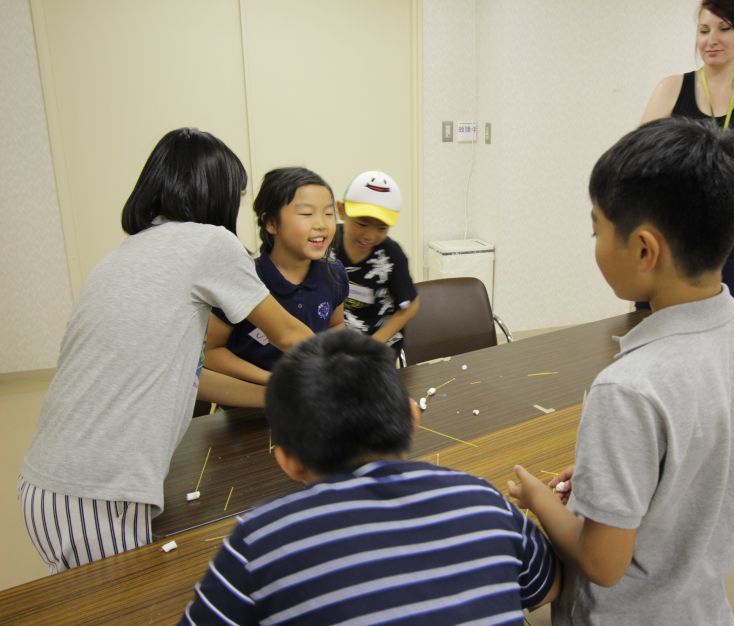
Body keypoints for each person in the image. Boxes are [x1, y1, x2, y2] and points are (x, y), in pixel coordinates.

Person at [507, 118, 734, 625]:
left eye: (597, 229)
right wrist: (605, 482)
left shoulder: (627, 389)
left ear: (646, 250)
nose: (595, 242)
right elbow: (696, 462)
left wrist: (541, 500)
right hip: (699, 607)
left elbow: (603, 565)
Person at [17, 128, 313, 572]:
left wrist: (276, 395)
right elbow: (289, 335)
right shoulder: (208, 243)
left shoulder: (130, 253)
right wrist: (366, 383)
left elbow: (193, 377)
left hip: (52, 487)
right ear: (215, 193)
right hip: (95, 492)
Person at [180, 329, 559, 625]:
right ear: (413, 418)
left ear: (287, 461)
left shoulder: (259, 540)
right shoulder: (482, 500)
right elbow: (548, 588)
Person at [641, 0, 734, 303]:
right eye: (704, 30)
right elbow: (638, 167)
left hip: (732, 246)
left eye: (724, 29)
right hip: (671, 242)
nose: (711, 40)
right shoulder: (671, 88)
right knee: (657, 336)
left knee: (719, 339)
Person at [205, 167, 348, 385]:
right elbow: (212, 351)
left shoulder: (334, 273)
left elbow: (336, 325)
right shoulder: (246, 278)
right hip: (249, 405)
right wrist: (272, 381)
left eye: (329, 213)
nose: (321, 224)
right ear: (271, 223)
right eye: (307, 214)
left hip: (311, 399)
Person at [334, 170, 420, 360]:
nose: (370, 236)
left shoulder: (391, 255)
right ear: (342, 210)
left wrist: (375, 343)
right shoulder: (326, 245)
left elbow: (411, 305)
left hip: (377, 345)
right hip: (334, 342)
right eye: (362, 224)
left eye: (381, 228)